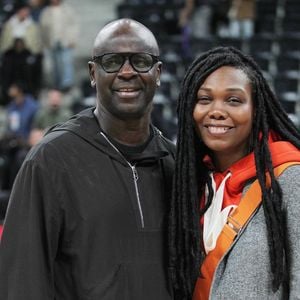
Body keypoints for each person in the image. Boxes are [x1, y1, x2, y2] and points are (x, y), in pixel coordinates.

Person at [0, 18, 175, 299]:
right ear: (93, 73)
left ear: (158, 73)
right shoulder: (50, 161)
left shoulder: (175, 164)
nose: (127, 72)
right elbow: (21, 280)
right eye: (112, 61)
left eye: (140, 61)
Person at [169, 46, 300, 299]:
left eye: (234, 100)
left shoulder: (290, 177)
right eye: (204, 99)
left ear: (256, 109)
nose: (216, 111)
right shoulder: (189, 184)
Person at [40, 0, 78, 91]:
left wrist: (72, 39)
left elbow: (74, 25)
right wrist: (45, 41)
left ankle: (67, 83)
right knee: (55, 64)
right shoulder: (46, 12)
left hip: (65, 41)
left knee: (66, 61)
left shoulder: (68, 10)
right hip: (52, 41)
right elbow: (43, 28)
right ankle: (57, 83)